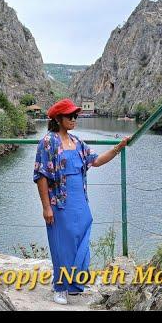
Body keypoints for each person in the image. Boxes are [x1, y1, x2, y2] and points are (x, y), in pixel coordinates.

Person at [32, 98, 130, 305]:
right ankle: (60, 287)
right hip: (60, 203)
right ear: (58, 118)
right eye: (70, 116)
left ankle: (75, 283)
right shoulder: (48, 142)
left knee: (82, 243)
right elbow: (41, 175)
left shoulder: (77, 142)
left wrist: (118, 148)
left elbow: (95, 161)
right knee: (63, 245)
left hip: (80, 202)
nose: (74, 119)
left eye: (76, 115)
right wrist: (46, 207)